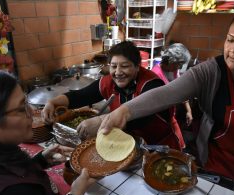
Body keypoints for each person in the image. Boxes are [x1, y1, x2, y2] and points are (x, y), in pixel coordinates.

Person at [98, 5, 234, 183]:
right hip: (215, 168)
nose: (233, 50)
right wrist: (124, 111)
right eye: (230, 40)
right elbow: (166, 94)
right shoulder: (212, 72)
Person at [0, 70, 96, 195]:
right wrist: (76, 194)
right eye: (21, 108)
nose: (31, 112)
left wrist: (40, 160)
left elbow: (11, 172)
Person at [42, 41, 185, 150]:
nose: (117, 72)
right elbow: (82, 95)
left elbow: (140, 118)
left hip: (160, 145)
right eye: (113, 66)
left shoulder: (152, 85)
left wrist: (100, 121)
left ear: (137, 67)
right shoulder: (110, 82)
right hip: (129, 145)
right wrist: (53, 102)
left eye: (125, 66)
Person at [152, 43, 193, 127]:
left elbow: (180, 89)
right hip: (160, 117)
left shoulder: (174, 71)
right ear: (171, 61)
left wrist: (189, 110)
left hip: (171, 113)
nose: (180, 67)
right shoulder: (156, 74)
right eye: (179, 64)